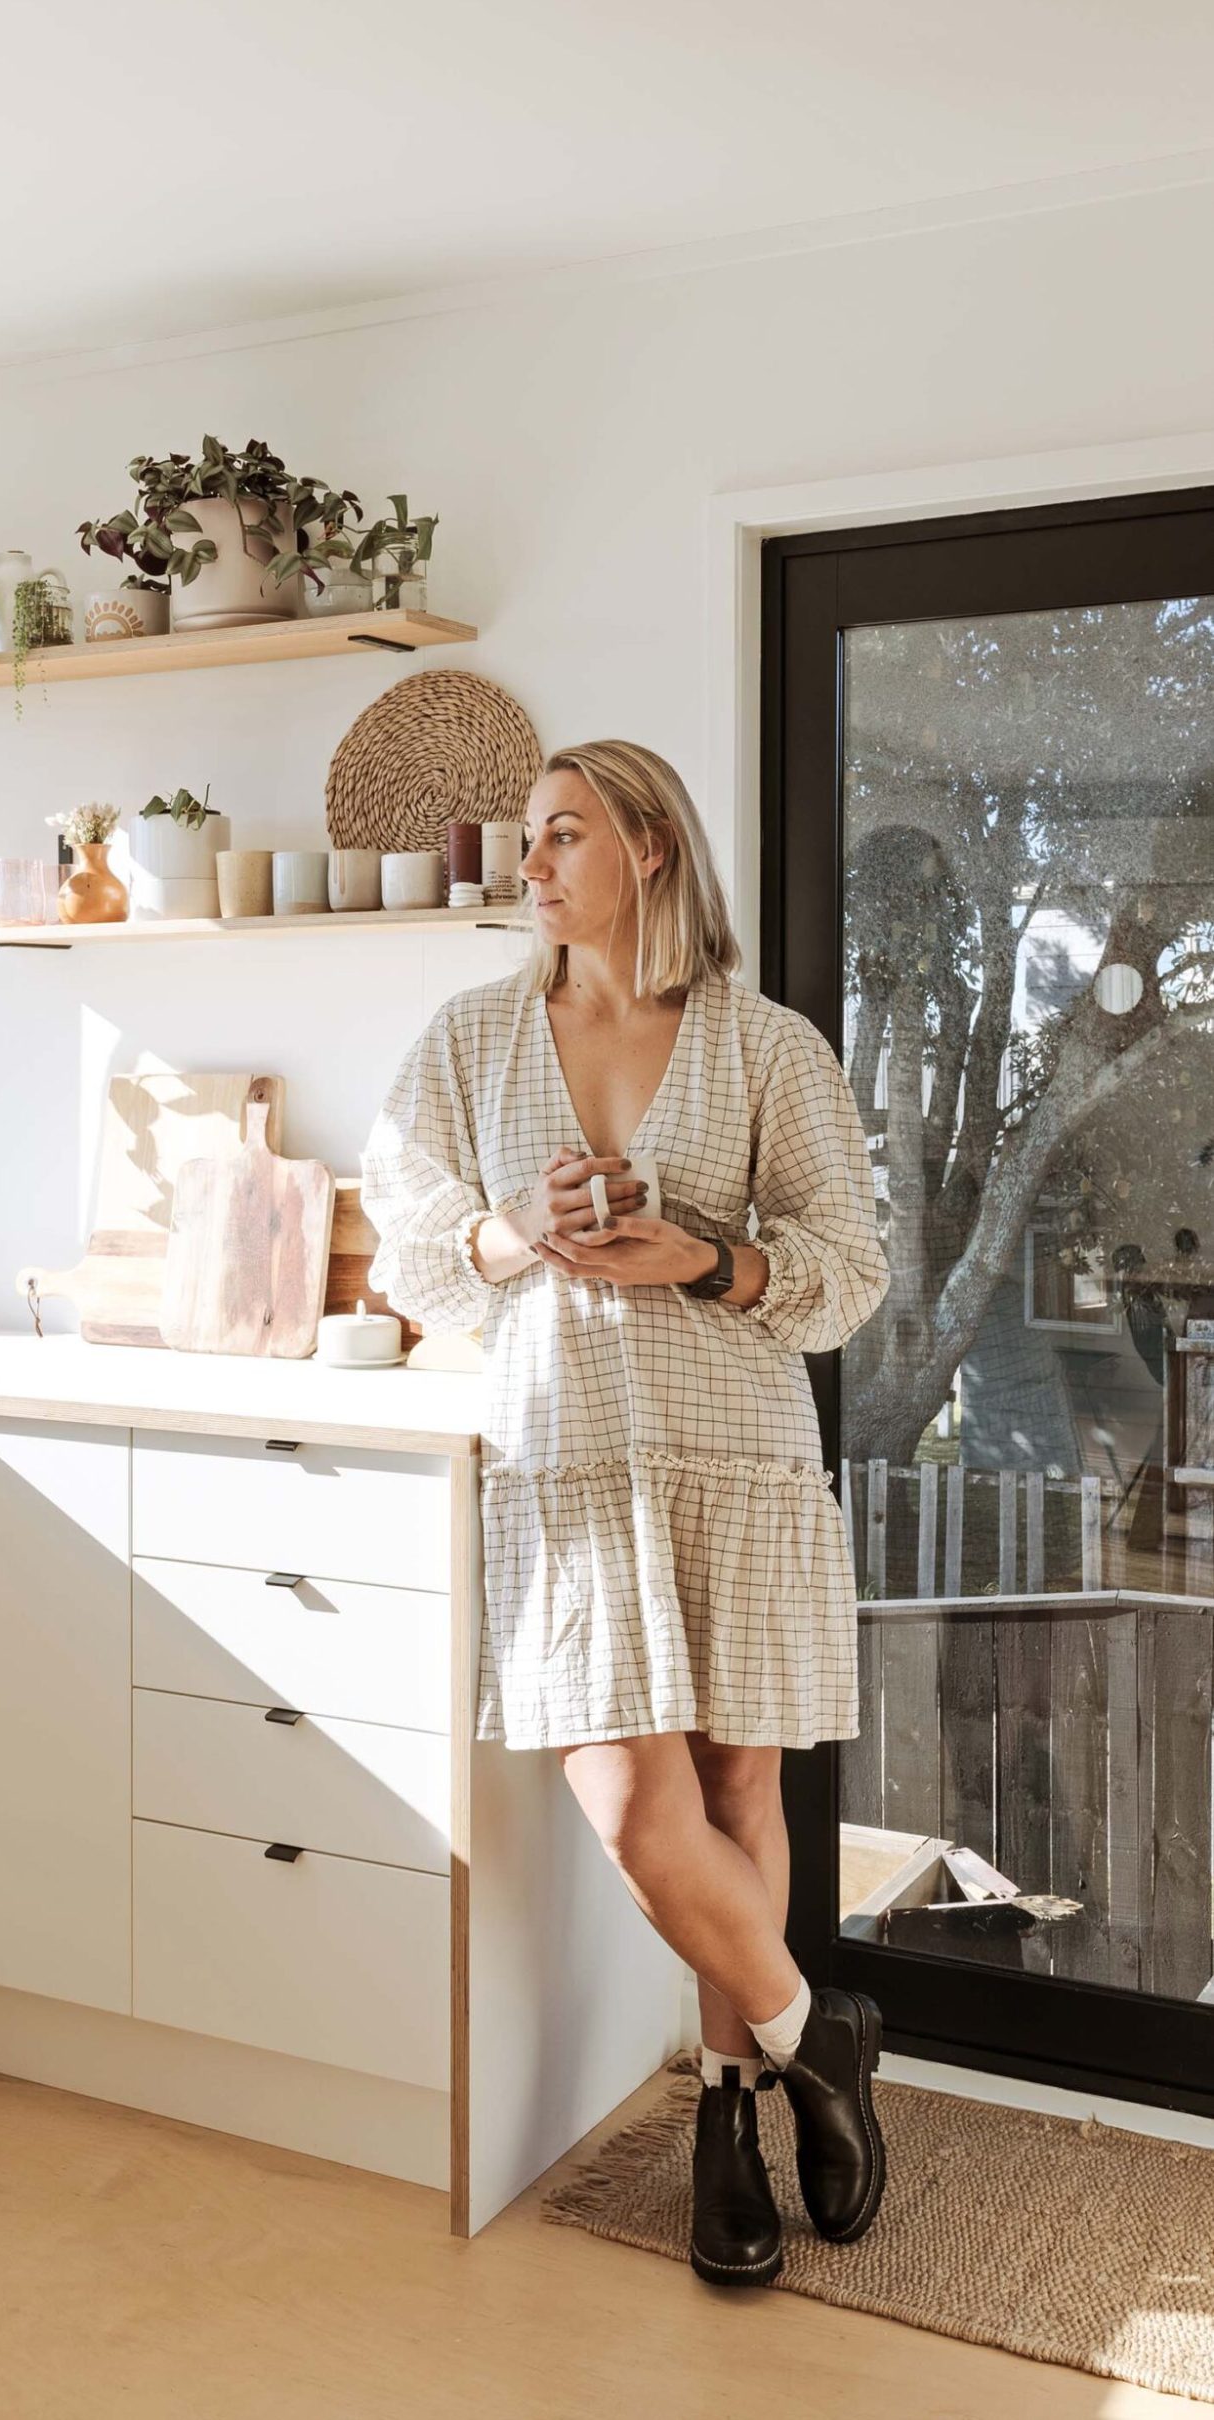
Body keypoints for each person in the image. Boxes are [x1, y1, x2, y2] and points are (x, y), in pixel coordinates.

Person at [360, 739, 891, 2288]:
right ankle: (820, 2038)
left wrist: (705, 1260)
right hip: (568, 1460)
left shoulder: (768, 1045)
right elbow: (411, 1251)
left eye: (561, 836)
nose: (528, 867)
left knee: (738, 1796)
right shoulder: (469, 1040)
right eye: (528, 841)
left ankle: (732, 2119)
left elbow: (843, 1271)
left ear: (650, 848)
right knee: (633, 1808)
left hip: (736, 1454)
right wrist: (513, 1230)